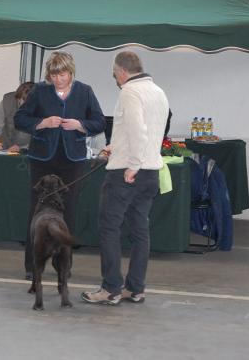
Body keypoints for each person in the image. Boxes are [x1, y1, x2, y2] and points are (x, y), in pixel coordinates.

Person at [81, 51, 169, 305]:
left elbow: (138, 131)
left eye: (115, 75)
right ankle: (135, 287)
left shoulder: (129, 92)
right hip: (151, 171)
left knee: (109, 228)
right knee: (140, 230)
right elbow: (145, 132)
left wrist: (132, 165)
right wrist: (114, 147)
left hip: (127, 174)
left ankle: (111, 288)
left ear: (121, 71)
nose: (116, 80)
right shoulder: (158, 92)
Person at [15, 51, 105, 280]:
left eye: (63, 74)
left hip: (72, 161)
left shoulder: (85, 92)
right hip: (42, 160)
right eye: (54, 75)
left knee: (69, 213)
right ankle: (31, 265)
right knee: (37, 213)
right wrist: (41, 123)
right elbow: (20, 118)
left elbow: (99, 122)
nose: (58, 79)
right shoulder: (40, 91)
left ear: (71, 72)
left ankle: (64, 266)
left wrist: (80, 125)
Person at [0, 82, 35, 152]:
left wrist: (22, 148)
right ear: (18, 98)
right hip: (4, 150)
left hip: (29, 152)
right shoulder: (7, 102)